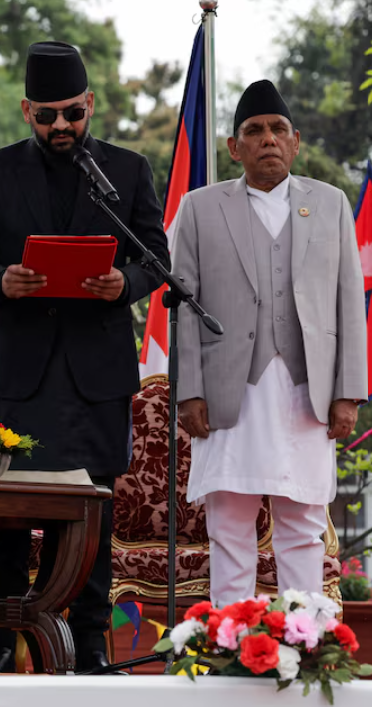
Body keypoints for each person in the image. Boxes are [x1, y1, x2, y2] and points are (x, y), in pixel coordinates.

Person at [0, 41, 169, 673]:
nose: (60, 128)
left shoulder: (127, 171)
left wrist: (124, 284)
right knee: (11, 516)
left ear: (90, 105)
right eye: (46, 116)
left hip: (95, 373)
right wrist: (2, 280)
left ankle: (90, 645)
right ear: (26, 111)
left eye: (71, 114)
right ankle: (0, 644)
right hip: (21, 374)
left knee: (91, 515)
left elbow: (154, 256)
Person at [173, 80, 366, 606]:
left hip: (308, 389)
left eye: (278, 130)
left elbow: (350, 301)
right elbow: (183, 308)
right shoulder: (199, 208)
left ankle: (307, 650)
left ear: (295, 141)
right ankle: (230, 645)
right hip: (230, 390)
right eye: (254, 131)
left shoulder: (329, 204)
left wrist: (349, 391)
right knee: (230, 527)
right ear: (234, 147)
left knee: (303, 525)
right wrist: (187, 391)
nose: (268, 140)